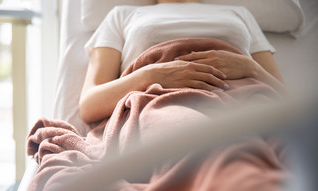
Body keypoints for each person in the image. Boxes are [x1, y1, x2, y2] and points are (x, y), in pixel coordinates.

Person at [79, 0, 285, 124]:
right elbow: (89, 105)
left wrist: (250, 68)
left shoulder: (240, 13)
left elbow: (286, 100)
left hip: (244, 104)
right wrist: (150, 75)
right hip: (159, 106)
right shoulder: (121, 15)